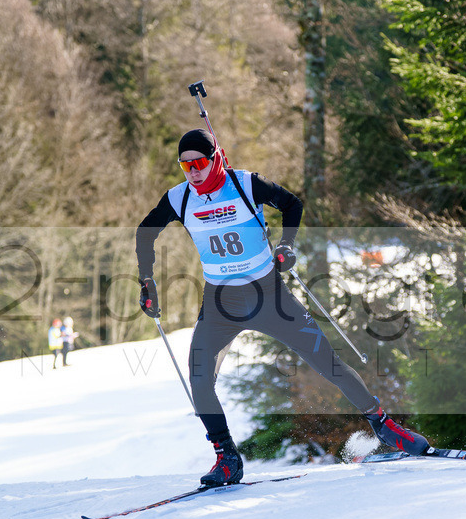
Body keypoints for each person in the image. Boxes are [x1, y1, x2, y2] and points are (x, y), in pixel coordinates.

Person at [135, 129, 428, 487]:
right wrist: (146, 280)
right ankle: (227, 458)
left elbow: (292, 203)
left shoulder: (245, 184)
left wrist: (287, 245)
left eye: (198, 162)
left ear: (215, 158)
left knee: (328, 363)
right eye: (184, 165)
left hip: (268, 294)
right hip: (220, 303)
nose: (192, 171)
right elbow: (145, 231)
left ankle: (384, 426)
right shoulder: (179, 197)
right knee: (199, 378)